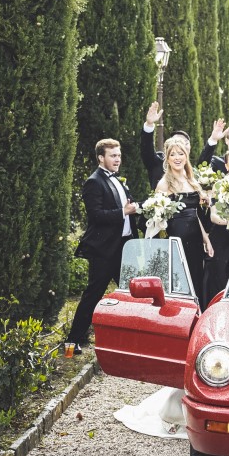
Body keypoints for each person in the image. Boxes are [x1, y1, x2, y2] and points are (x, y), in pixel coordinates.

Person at [66, 139, 141, 353]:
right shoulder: (94, 182)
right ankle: (71, 343)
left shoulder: (118, 180)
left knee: (131, 294)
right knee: (93, 294)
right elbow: (96, 216)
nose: (117, 159)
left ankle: (128, 341)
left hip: (124, 248)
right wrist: (123, 212)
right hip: (104, 250)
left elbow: (128, 207)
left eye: (118, 155)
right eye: (112, 156)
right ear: (101, 158)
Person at [156, 136, 213, 305]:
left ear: (186, 156)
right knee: (180, 277)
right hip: (177, 237)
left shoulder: (191, 181)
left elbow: (196, 215)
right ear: (168, 158)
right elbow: (159, 217)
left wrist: (206, 240)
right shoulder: (164, 183)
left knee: (196, 276)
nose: (177, 157)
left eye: (180, 153)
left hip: (195, 238)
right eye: (173, 154)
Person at [201, 148, 229, 305]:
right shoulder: (219, 185)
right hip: (222, 238)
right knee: (219, 276)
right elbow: (214, 216)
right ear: (226, 166)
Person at [140, 101, 191, 190]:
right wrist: (149, 124)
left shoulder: (192, 174)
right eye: (172, 154)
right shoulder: (158, 163)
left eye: (184, 142)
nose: (177, 157)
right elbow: (147, 151)